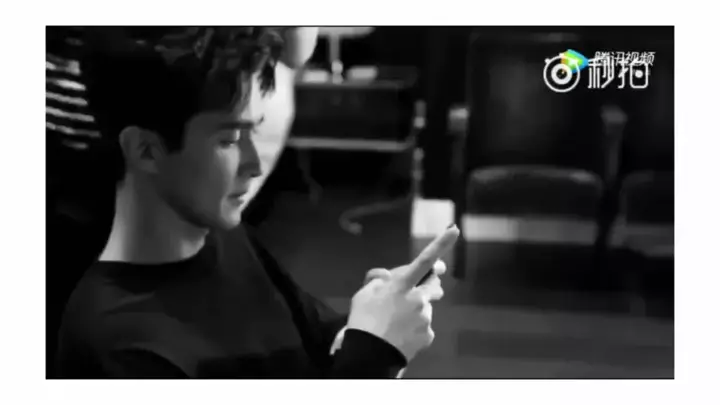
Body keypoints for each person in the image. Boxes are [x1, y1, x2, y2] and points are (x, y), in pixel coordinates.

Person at [53, 27, 460, 378]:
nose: (255, 164)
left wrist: (375, 317)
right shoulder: (118, 351)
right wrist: (375, 354)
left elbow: (318, 343)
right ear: (146, 150)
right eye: (230, 139)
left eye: (255, 132)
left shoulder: (226, 239)